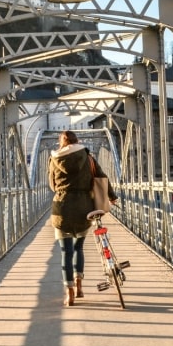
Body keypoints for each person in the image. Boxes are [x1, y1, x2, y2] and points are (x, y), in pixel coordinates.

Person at [48, 130, 117, 306]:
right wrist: (112, 196)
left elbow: (52, 185)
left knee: (66, 251)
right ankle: (79, 286)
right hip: (83, 207)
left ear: (61, 142)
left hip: (62, 208)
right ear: (77, 141)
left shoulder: (54, 159)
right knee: (79, 248)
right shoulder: (88, 157)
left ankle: (69, 293)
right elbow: (102, 177)